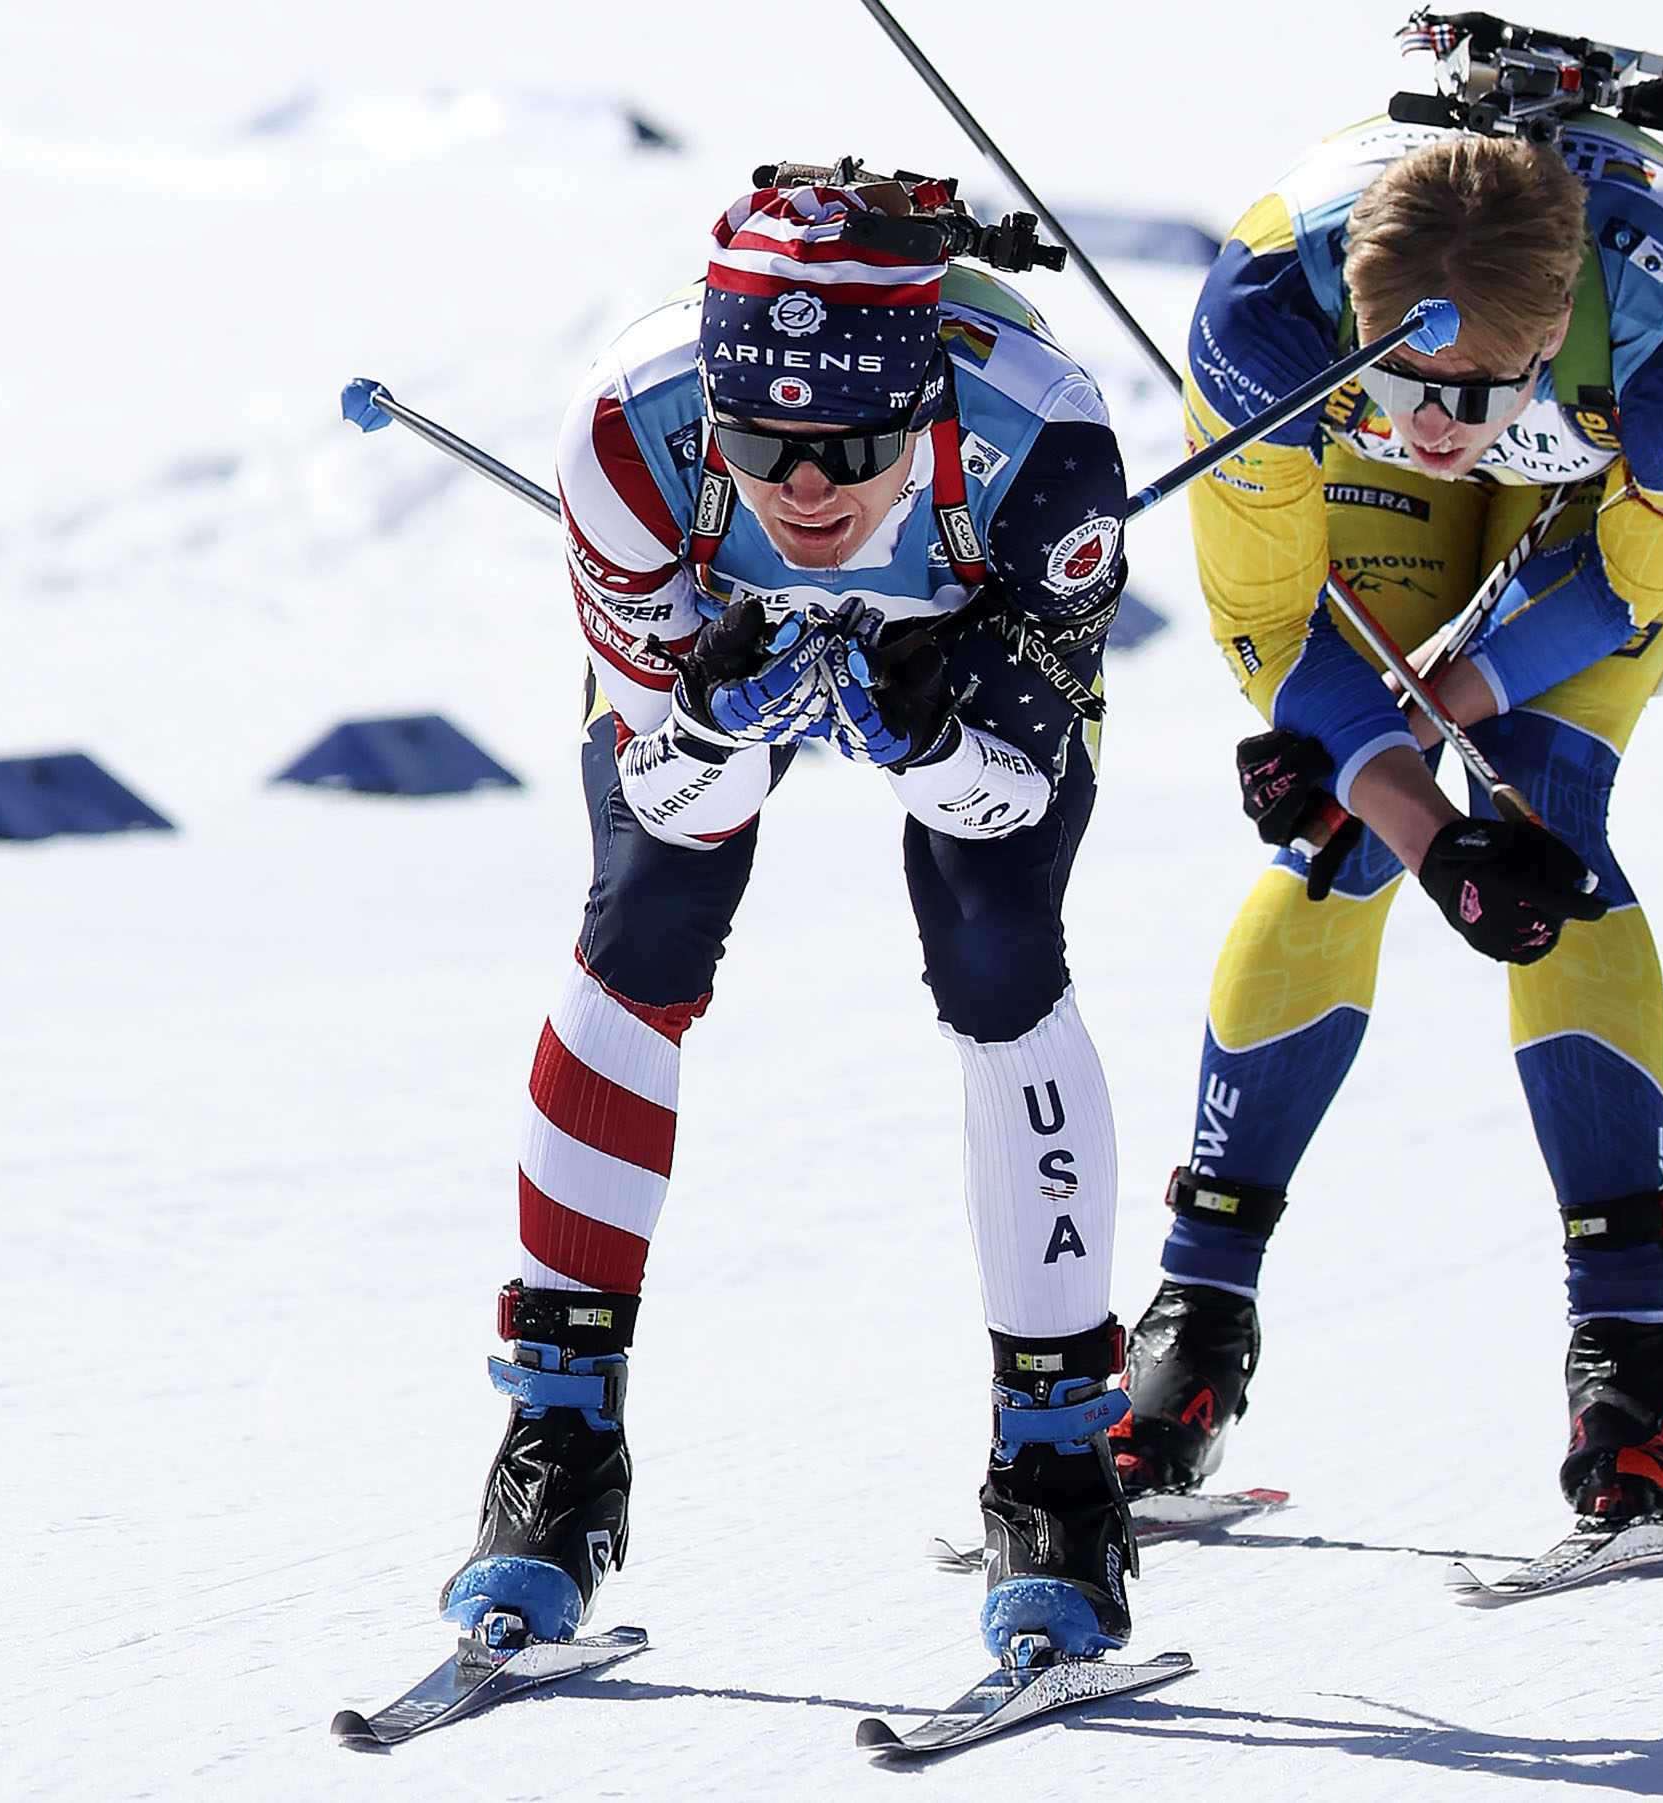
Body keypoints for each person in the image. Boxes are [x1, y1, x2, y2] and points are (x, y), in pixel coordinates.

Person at [436, 174, 1145, 1662]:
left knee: (996, 947)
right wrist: (709, 720)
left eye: (850, 450)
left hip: (971, 613)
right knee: (643, 920)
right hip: (717, 636)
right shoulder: (631, 435)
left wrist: (930, 742)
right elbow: (669, 803)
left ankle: (1059, 1466)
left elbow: (1008, 801)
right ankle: (556, 1451)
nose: (805, 490)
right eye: (761, 443)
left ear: (926, 409)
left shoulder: (1050, 445)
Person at [1109, 112, 1663, 1525]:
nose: (1430, 422)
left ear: (1552, 319)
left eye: (1468, 391)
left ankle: (1630, 1360)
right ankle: (1194, 1328)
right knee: (1341, 847)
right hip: (1396, 500)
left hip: (1601, 492)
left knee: (1548, 828)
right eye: (1396, 374)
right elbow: (1263, 616)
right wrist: (1398, 801)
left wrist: (1419, 730)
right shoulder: (1271, 314)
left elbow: (1622, 589)